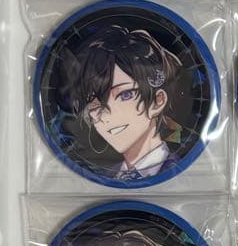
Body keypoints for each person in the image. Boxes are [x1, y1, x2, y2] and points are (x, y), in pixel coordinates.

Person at [67, 24, 182, 181]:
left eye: (125, 95)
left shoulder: (184, 172)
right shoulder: (104, 177)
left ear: (158, 101)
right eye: (94, 103)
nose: (107, 113)